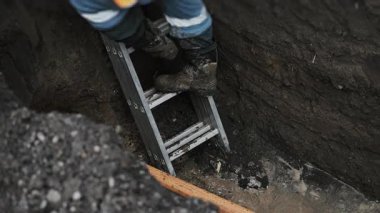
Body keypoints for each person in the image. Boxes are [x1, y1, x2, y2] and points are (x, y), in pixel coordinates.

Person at [69, 0, 218, 96]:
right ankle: (160, 46)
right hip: (103, 5)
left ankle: (202, 73)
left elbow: (189, 14)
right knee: (125, 28)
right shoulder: (88, 3)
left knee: (189, 15)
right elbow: (117, 26)